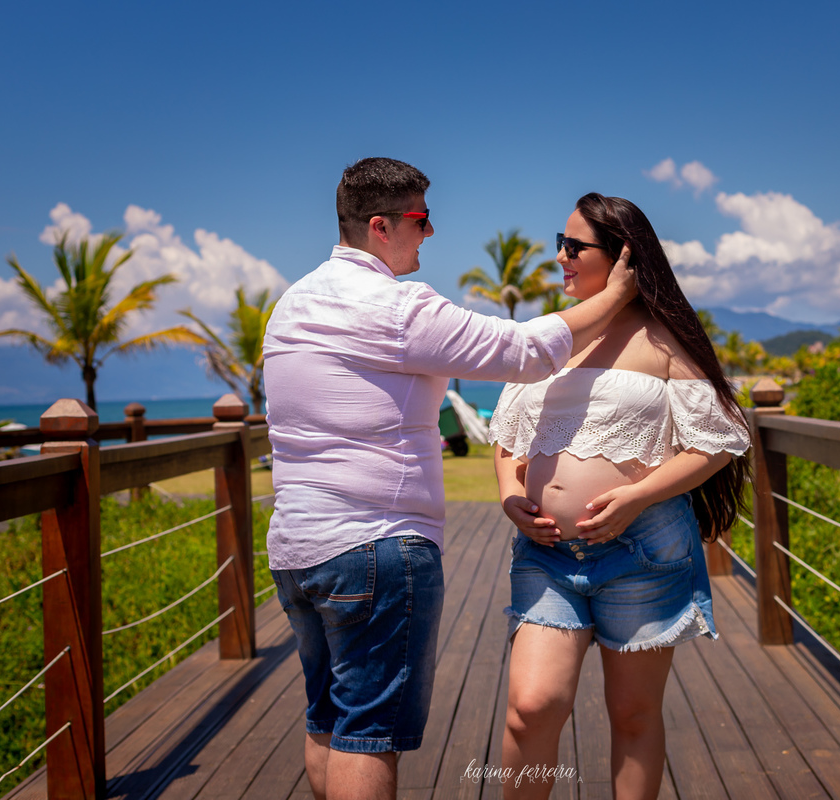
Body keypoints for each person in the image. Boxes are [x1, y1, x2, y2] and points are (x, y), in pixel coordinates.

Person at [261, 159, 637, 800]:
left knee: (327, 719)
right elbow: (523, 351)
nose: (431, 232)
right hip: (374, 546)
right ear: (380, 227)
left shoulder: (291, 304)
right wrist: (616, 298)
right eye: (421, 219)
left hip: (297, 550)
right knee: (368, 734)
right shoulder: (395, 307)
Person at [489, 193, 751, 800]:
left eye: (574, 246)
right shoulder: (549, 338)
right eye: (560, 243)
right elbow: (507, 436)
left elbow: (717, 441)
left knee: (633, 715)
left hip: (644, 552)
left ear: (623, 256)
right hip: (547, 555)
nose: (560, 256)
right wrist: (508, 495)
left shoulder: (662, 340)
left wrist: (637, 496)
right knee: (531, 707)